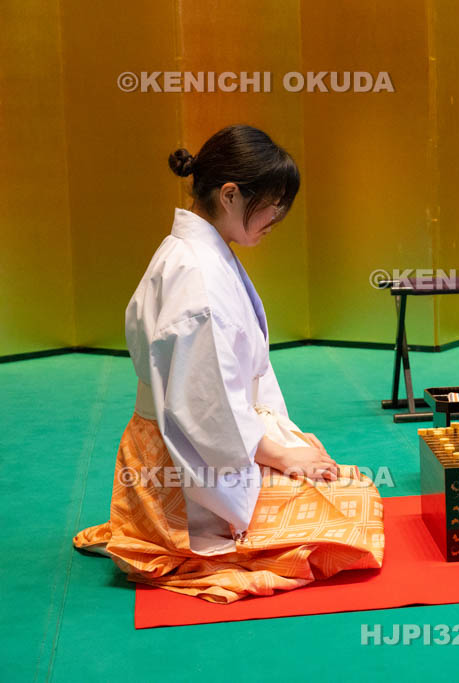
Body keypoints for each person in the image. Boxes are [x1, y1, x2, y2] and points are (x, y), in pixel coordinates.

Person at [74, 125, 384, 602]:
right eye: (272, 204)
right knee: (349, 518)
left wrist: (280, 444)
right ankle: (187, 535)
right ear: (231, 194)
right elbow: (205, 409)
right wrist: (281, 454)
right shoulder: (198, 275)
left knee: (345, 488)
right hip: (187, 469)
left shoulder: (194, 253)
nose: (277, 217)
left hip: (203, 443)